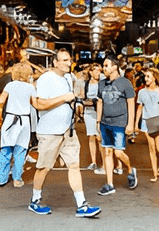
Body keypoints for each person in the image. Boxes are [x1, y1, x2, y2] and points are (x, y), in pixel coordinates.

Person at [27, 49, 100, 218]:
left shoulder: (68, 77)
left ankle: (81, 204)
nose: (69, 63)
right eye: (65, 60)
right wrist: (64, 98)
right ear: (55, 62)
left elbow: (69, 98)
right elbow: (39, 104)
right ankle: (35, 200)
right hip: (50, 132)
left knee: (74, 165)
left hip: (68, 131)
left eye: (69, 60)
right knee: (44, 167)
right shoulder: (46, 79)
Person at [96, 53, 137, 195]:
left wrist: (130, 124)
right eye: (103, 65)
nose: (104, 68)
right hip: (105, 122)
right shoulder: (101, 84)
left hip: (120, 122)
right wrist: (98, 121)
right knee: (107, 152)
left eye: (106, 65)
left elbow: (131, 104)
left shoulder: (125, 83)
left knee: (118, 152)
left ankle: (130, 169)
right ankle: (109, 184)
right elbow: (100, 102)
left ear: (115, 67)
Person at [0, 62, 35, 187]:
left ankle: (0, 179)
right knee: (20, 150)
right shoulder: (31, 87)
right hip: (24, 121)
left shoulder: (10, 85)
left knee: (5, 149)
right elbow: (35, 104)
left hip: (10, 120)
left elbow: (0, 101)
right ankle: (17, 179)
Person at [135, 68, 159, 183]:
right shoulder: (141, 92)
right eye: (145, 77)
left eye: (148, 76)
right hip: (146, 122)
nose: (146, 79)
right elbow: (140, 108)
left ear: (154, 77)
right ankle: (154, 173)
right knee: (152, 149)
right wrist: (136, 124)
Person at [81, 63, 104, 174]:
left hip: (99, 112)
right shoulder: (86, 84)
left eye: (99, 70)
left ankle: (104, 162)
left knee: (99, 137)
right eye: (95, 70)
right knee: (91, 137)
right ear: (90, 72)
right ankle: (93, 161)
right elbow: (83, 97)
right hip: (88, 112)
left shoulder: (102, 83)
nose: (97, 73)